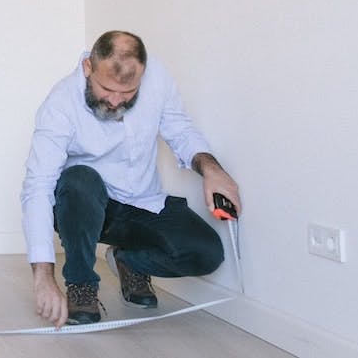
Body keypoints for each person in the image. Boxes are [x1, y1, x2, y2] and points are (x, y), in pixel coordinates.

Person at [20, 31, 241, 326]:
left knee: (207, 253)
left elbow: (179, 129)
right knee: (79, 179)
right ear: (88, 67)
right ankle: (81, 284)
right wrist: (43, 278)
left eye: (127, 93)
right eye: (106, 89)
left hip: (144, 204)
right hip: (85, 209)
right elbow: (38, 187)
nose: (114, 101)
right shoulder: (60, 104)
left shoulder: (157, 78)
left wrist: (212, 170)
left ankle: (128, 261)